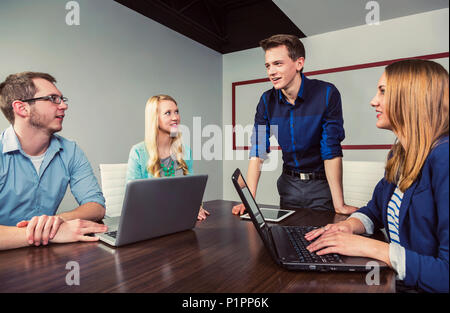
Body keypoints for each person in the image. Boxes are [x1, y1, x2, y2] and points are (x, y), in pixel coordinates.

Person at [305, 59, 449, 293]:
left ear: (411, 97)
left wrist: (370, 248)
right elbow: (375, 210)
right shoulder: (399, 154)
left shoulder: (444, 157)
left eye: (383, 91)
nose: (374, 101)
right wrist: (350, 227)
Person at [232, 34, 357, 216]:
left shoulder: (327, 93)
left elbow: (330, 149)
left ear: (299, 63)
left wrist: (340, 205)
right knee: (288, 239)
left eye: (278, 64)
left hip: (321, 187)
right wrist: (249, 201)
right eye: (268, 65)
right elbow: (258, 150)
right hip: (288, 186)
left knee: (320, 240)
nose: (271, 72)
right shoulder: (266, 101)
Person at [0, 72, 107, 250]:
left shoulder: (71, 151)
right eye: (53, 99)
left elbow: (96, 206)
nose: (64, 106)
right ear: (22, 108)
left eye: (62, 99)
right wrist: (52, 233)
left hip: (45, 257)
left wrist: (57, 221)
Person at [126, 94, 209, 221]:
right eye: (168, 113)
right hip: (149, 222)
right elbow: (133, 202)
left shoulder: (185, 151)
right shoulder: (138, 152)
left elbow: (192, 192)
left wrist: (196, 206)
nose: (175, 117)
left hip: (178, 221)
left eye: (176, 112)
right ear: (155, 118)